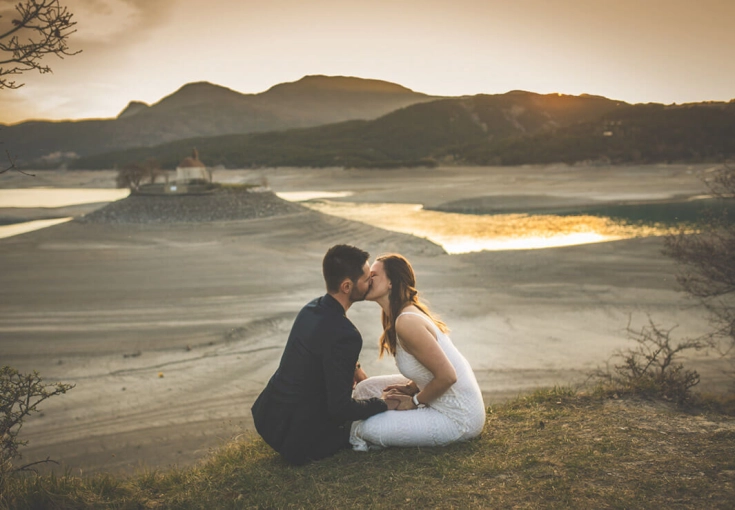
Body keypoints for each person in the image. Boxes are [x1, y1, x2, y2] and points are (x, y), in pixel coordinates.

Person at [251, 244, 411, 465]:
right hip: (301, 442)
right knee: (371, 429)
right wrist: (383, 404)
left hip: (269, 418)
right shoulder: (346, 335)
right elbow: (340, 409)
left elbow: (321, 348)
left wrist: (354, 368)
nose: (370, 282)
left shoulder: (311, 309)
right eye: (366, 279)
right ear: (347, 286)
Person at [350, 254, 486, 450]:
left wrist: (413, 401)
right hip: (434, 396)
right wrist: (412, 387)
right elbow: (427, 365)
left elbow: (448, 376)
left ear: (391, 283)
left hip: (459, 417)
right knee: (364, 390)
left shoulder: (407, 321)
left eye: (373, 275)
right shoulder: (398, 316)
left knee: (366, 428)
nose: (367, 280)